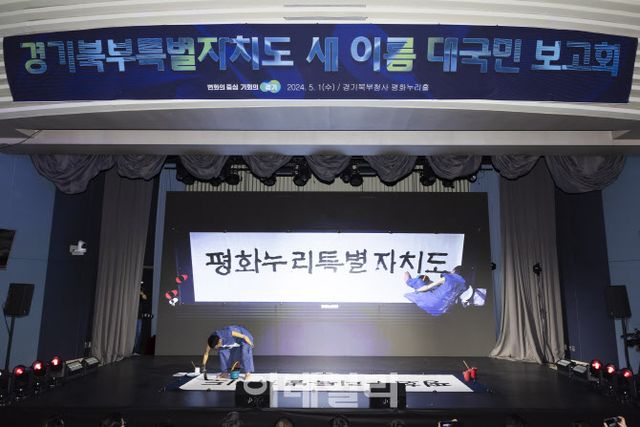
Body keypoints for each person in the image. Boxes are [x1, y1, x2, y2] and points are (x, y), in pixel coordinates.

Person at [403, 266, 468, 316]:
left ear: (454, 271)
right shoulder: (464, 286)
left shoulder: (448, 278)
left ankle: (408, 279)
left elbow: (427, 287)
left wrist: (417, 291)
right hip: (445, 309)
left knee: (418, 282)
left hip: (432, 301)